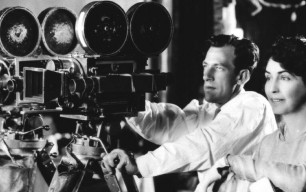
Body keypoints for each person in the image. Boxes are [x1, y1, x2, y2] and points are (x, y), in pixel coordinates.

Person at [195, 36, 306, 192]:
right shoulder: (269, 143)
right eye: (269, 77)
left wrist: (228, 161)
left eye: (284, 77)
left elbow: (302, 180)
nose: (272, 88)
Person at [101, 34, 277, 186]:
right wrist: (125, 101)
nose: (206, 76)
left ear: (242, 76)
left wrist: (141, 165)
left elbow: (206, 145)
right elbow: (167, 125)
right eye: (205, 66)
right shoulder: (211, 111)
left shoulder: (253, 105)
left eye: (218, 68)